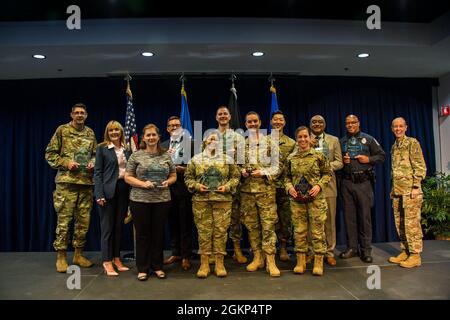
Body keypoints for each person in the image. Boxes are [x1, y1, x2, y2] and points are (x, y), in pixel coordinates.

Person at [45, 103, 97, 273]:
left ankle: (78, 254)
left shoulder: (90, 133)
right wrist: (67, 164)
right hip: (66, 184)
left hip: (86, 184)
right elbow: (50, 154)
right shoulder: (62, 130)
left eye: (82, 113)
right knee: (64, 221)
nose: (80, 115)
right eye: (77, 113)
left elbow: (96, 155)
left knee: (83, 222)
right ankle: (61, 256)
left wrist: (93, 163)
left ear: (86, 115)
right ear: (71, 115)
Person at [125, 124, 177, 281]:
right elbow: (128, 176)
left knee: (158, 234)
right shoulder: (136, 156)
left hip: (162, 200)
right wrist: (142, 184)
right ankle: (143, 268)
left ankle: (157, 266)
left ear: (158, 137)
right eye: (148, 135)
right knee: (142, 235)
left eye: (154, 135)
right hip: (140, 200)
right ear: (144, 138)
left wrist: (169, 182)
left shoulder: (166, 156)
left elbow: (173, 175)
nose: (151, 138)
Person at [185, 131, 241, 278]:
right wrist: (197, 186)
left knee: (221, 232)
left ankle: (219, 263)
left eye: (216, 139)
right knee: (204, 233)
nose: (213, 141)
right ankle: (204, 264)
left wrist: (227, 187)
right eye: (210, 139)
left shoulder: (227, 159)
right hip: (201, 202)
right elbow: (188, 178)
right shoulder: (195, 160)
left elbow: (235, 177)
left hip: (222, 201)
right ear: (204, 141)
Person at [284, 126, 332, 276]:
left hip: (316, 200)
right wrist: (289, 187)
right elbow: (286, 177)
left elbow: (327, 173)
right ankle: (300, 262)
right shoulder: (291, 158)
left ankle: (318, 262)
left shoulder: (318, 156)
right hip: (297, 201)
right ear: (296, 139)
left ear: (310, 138)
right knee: (299, 232)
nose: (303, 139)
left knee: (317, 232)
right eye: (300, 137)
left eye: (305, 136)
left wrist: (319, 185)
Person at [339, 115, 385, 263]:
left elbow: (382, 156)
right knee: (349, 217)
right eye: (348, 123)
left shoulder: (369, 139)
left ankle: (365, 250)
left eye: (353, 122)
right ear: (345, 125)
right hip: (347, 182)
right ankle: (352, 248)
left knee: (365, 218)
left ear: (358, 123)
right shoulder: (341, 142)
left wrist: (369, 159)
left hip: (364, 182)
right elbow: (335, 161)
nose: (350, 125)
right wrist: (342, 161)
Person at [240, 111, 281, 277]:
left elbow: (278, 167)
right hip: (247, 193)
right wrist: (241, 171)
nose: (252, 124)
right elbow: (234, 166)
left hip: (265, 192)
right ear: (245, 124)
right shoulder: (241, 144)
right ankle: (258, 257)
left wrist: (263, 172)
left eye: (255, 121)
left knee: (268, 226)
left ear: (260, 122)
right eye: (249, 122)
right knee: (252, 226)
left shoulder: (270, 142)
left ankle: (271, 259)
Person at [94, 121, 131, 276]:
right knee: (107, 228)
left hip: (124, 189)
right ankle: (107, 261)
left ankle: (116, 258)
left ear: (121, 132)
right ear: (107, 133)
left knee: (118, 227)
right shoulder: (102, 148)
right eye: (111, 130)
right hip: (108, 191)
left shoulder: (127, 149)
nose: (114, 132)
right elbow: (98, 173)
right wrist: (99, 194)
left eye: (117, 130)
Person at [389, 117, 426, 268]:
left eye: (400, 126)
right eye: (395, 127)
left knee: (412, 224)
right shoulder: (394, 146)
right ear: (392, 129)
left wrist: (416, 187)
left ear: (406, 128)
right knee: (401, 223)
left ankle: (415, 255)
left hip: (411, 191)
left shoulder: (412, 142)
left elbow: (420, 166)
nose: (398, 129)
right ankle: (406, 251)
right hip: (398, 191)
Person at [308, 115, 343, 266]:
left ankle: (329, 252)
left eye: (320, 122)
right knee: (311, 221)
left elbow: (340, 162)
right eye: (314, 122)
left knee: (329, 221)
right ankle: (311, 251)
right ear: (310, 125)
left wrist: (326, 167)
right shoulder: (304, 138)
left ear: (325, 124)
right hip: (309, 188)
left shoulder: (333, 140)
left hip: (328, 186)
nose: (317, 124)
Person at [161, 116, 194, 271]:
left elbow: (197, 168)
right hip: (166, 189)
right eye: (171, 125)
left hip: (184, 188)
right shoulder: (161, 146)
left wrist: (184, 169)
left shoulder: (191, 145)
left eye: (177, 125)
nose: (174, 127)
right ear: (167, 129)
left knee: (185, 222)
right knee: (172, 221)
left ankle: (186, 255)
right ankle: (176, 253)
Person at [215, 106, 247, 264]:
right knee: (216, 219)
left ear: (229, 117)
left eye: (225, 114)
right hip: (215, 183)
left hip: (234, 184)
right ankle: (217, 251)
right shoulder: (210, 136)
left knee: (235, 217)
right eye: (220, 114)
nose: (222, 116)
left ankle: (237, 250)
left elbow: (242, 160)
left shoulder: (238, 137)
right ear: (216, 117)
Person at [271, 111, 296, 262]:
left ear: (284, 122)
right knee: (269, 219)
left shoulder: (292, 143)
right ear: (271, 122)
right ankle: (269, 249)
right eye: (275, 120)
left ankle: (283, 247)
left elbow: (292, 166)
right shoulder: (265, 141)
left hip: (285, 187)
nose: (278, 122)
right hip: (268, 187)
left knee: (285, 219)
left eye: (281, 119)